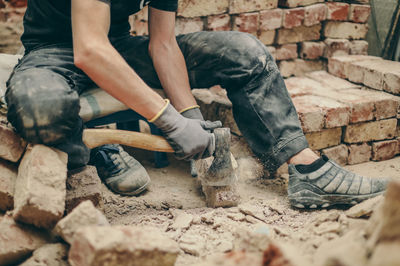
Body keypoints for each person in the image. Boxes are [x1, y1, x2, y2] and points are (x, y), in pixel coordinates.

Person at [5, 0, 390, 208]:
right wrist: (169, 121)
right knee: (42, 108)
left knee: (245, 53)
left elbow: (163, 43)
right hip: (53, 53)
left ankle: (305, 168)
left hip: (118, 47)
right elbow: (89, 50)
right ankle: (94, 155)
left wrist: (191, 118)